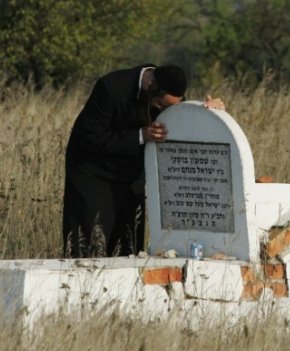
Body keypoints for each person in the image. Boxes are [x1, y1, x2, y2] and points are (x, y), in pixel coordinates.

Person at [63, 64, 224, 258]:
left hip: (132, 176)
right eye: (162, 106)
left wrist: (210, 111)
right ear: (150, 86)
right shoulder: (111, 87)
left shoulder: (167, 96)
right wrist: (140, 135)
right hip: (92, 174)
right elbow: (89, 138)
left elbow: (181, 125)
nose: (163, 111)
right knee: (88, 246)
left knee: (127, 246)